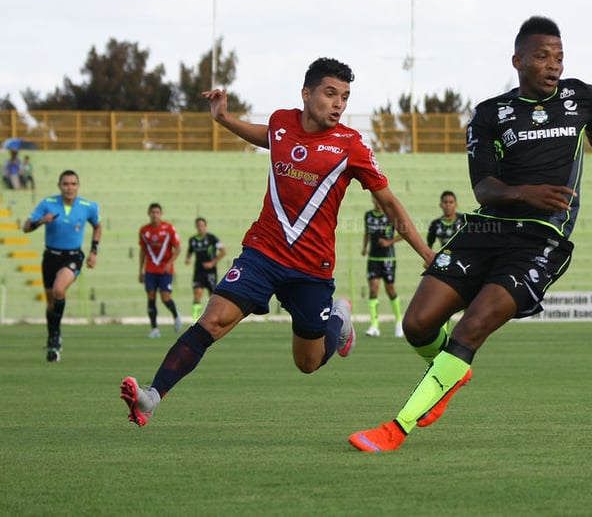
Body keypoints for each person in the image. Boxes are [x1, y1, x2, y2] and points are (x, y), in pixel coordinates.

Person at [349, 16, 592, 452]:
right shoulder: (490, 114)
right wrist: (525, 192)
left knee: (471, 328)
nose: (553, 65)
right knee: (418, 324)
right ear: (518, 61)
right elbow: (483, 187)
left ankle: (396, 428)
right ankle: (453, 370)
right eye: (542, 56)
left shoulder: (581, 98)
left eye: (559, 57)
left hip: (540, 241)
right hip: (487, 229)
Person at [120, 57, 434, 427]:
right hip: (263, 253)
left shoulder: (351, 146)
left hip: (311, 269)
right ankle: (152, 396)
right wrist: (223, 118)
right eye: (330, 93)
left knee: (308, 362)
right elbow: (267, 136)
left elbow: (388, 203)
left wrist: (426, 254)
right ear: (306, 93)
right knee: (214, 321)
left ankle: (340, 316)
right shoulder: (281, 122)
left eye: (345, 97)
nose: (338, 104)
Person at [22, 170, 101, 362]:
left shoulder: (87, 206)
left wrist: (93, 251)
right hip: (50, 257)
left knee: (59, 289)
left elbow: (97, 226)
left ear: (78, 186)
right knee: (51, 303)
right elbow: (26, 227)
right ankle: (53, 335)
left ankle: (55, 338)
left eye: (73, 184)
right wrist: (42, 221)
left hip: (72, 256)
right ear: (59, 186)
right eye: (66, 184)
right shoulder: (48, 203)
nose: (69, 187)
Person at [361, 197, 404, 338]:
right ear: (373, 200)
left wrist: (389, 242)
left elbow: (404, 232)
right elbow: (367, 233)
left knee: (390, 289)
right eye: (375, 199)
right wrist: (364, 247)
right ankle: (374, 326)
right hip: (373, 258)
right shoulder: (368, 215)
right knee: (373, 289)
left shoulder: (390, 215)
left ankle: (398, 322)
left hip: (388, 258)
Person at [138, 203, 183, 338]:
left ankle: (176, 315)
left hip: (165, 269)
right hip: (150, 268)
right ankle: (154, 328)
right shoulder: (144, 230)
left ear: (161, 214)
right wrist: (140, 270)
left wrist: (170, 263)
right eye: (152, 212)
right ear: (149, 214)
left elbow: (178, 248)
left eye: (157, 212)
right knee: (151, 297)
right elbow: (143, 251)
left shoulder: (169, 228)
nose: (155, 215)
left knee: (165, 298)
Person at [185, 217, 226, 321]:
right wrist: (188, 259)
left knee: (212, 296)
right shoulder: (193, 240)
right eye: (198, 226)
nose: (200, 228)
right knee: (197, 294)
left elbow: (223, 251)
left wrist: (212, 263)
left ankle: (212, 318)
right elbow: (189, 252)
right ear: (196, 227)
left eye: (202, 225)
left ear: (205, 226)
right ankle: (195, 320)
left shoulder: (212, 238)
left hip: (210, 272)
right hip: (198, 271)